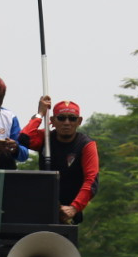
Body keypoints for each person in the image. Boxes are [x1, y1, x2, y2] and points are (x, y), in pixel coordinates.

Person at [18, 96, 99, 224]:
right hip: (44, 206)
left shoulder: (86, 145)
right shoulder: (45, 138)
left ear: (79, 121)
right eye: (61, 118)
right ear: (52, 121)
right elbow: (24, 138)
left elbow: (91, 180)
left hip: (69, 212)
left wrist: (74, 208)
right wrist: (40, 114)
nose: (66, 122)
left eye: (72, 118)